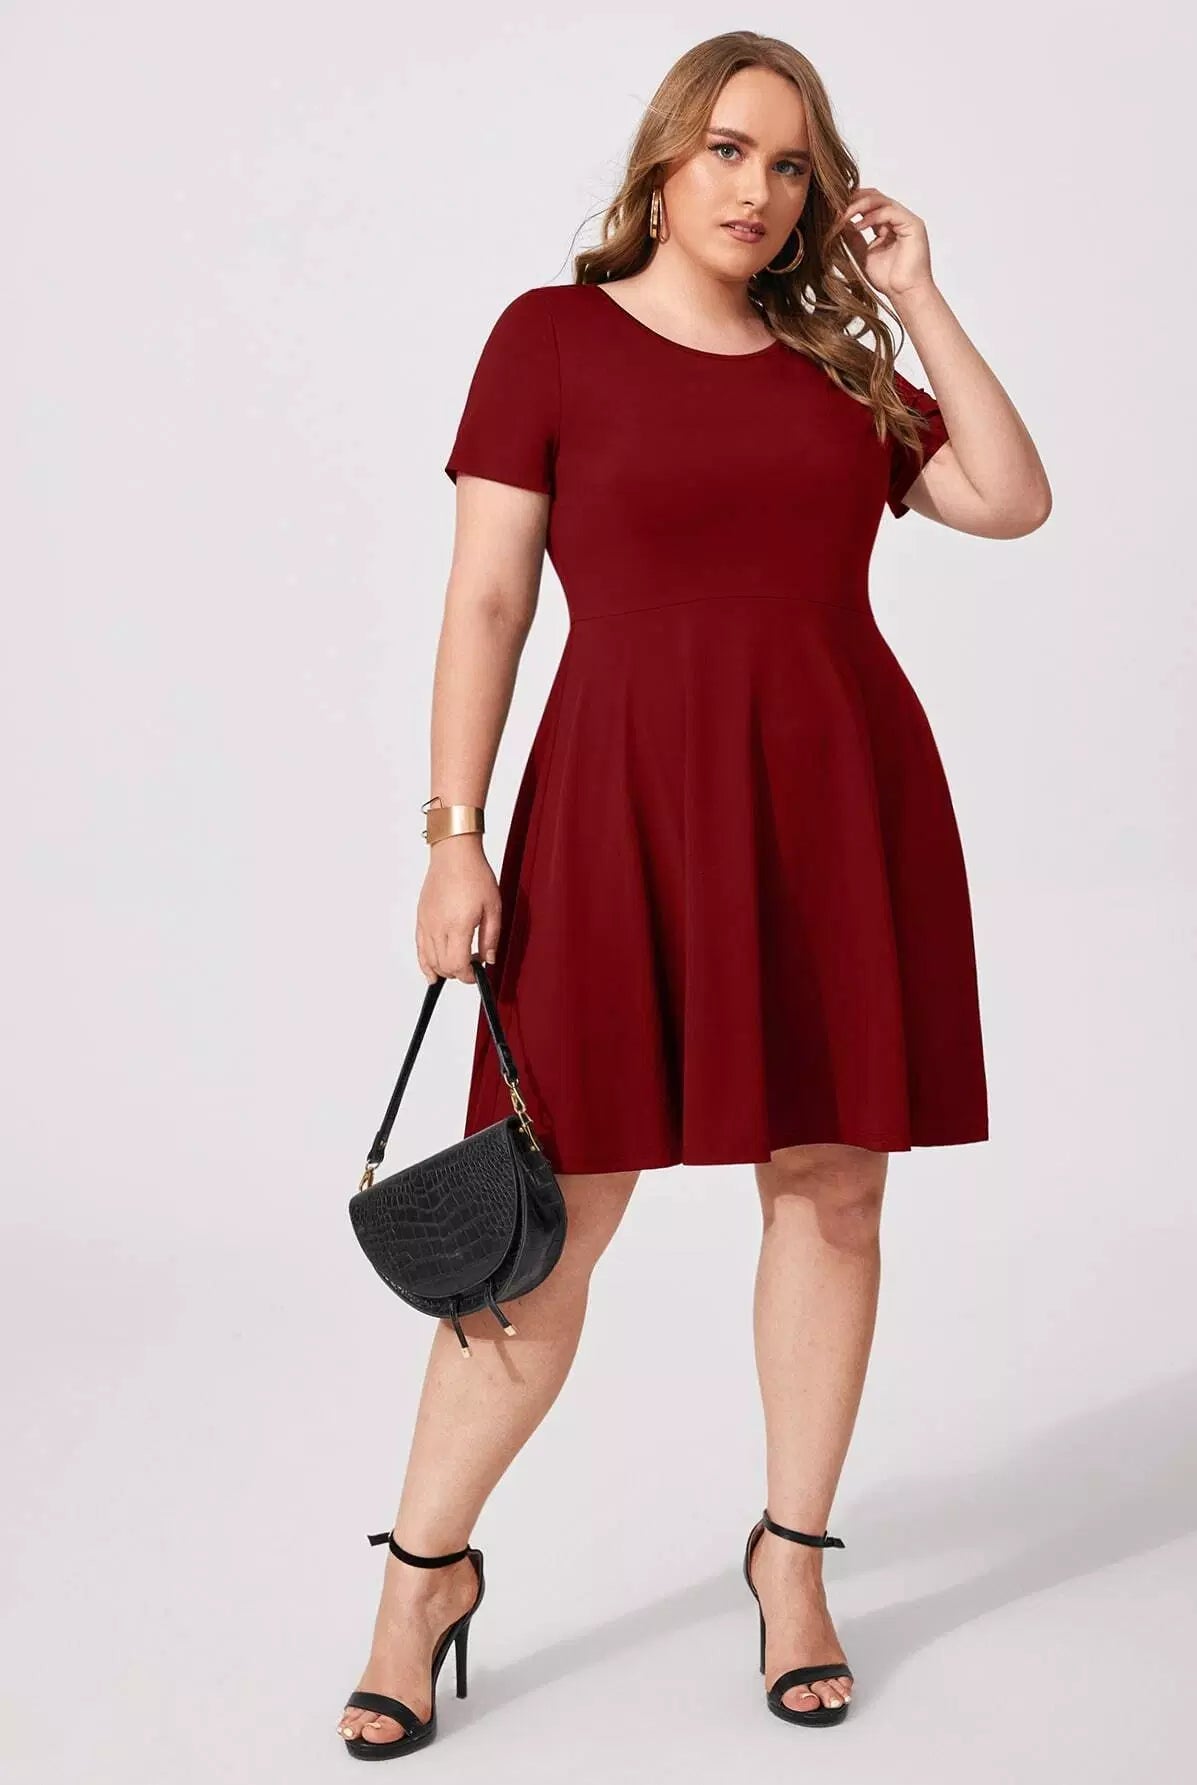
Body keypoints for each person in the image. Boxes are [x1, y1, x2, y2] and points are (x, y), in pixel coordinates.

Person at [337, 28, 1050, 1755]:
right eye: (730, 149)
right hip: (619, 809)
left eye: (791, 164)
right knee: (545, 1217)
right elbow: (488, 599)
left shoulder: (833, 370)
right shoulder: (551, 336)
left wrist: (917, 295)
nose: (758, 188)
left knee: (832, 1189)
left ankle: (793, 1558)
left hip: (832, 804)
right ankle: (421, 1577)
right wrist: (454, 832)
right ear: (665, 160)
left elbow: (1010, 498)